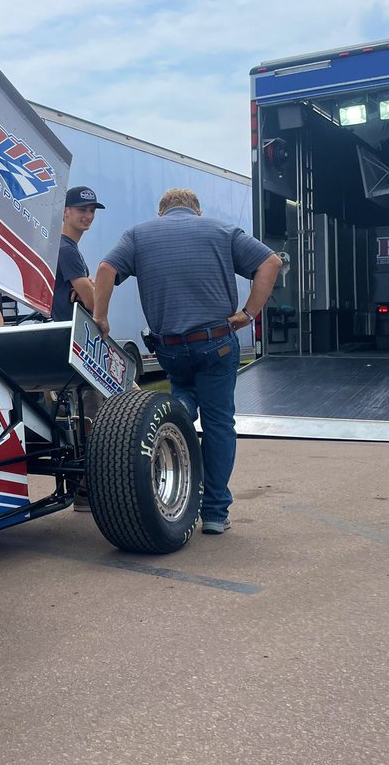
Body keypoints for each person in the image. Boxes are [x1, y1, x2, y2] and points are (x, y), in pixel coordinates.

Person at [91, 188, 282, 536]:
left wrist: (100, 317)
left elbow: (105, 269)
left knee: (181, 394)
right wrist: (248, 313)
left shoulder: (138, 234)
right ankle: (213, 512)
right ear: (197, 210)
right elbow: (271, 262)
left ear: (161, 212)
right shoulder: (222, 232)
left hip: (171, 349)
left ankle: (172, 414)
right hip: (216, 345)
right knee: (219, 423)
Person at [51, 186, 104, 321]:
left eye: (92, 210)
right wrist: (91, 288)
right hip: (68, 332)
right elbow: (94, 303)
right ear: (65, 211)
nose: (88, 216)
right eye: (82, 210)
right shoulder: (67, 250)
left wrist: (89, 287)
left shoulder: (63, 246)